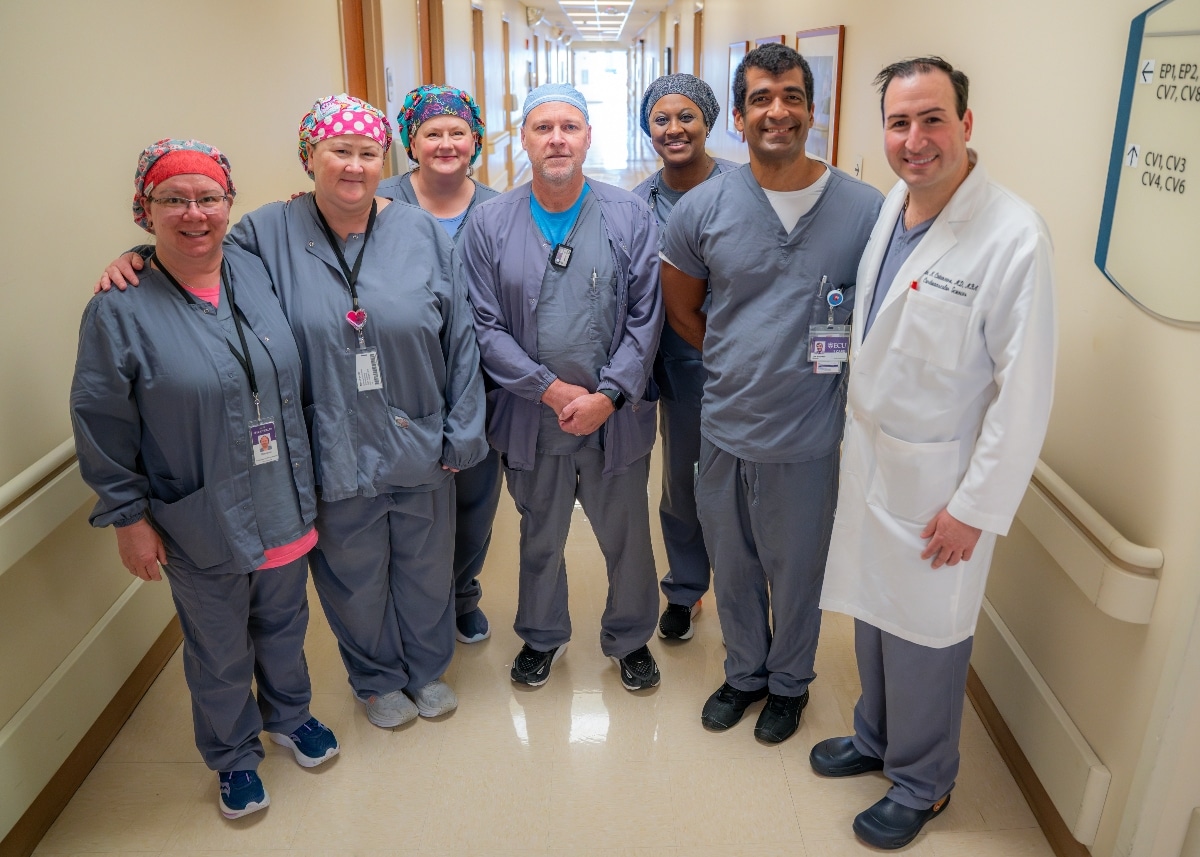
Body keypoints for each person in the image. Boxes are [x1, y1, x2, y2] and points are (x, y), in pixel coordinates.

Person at [97, 95, 488, 731]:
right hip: (328, 439)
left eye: (368, 153)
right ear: (310, 157)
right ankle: (377, 677)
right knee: (353, 576)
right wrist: (136, 258)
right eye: (339, 151)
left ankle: (426, 668)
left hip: (417, 432)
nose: (354, 166)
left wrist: (460, 433)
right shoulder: (265, 232)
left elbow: (461, 336)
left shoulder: (418, 230)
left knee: (424, 566)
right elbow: (198, 255)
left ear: (384, 157)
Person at [812, 57, 1056, 849]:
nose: (914, 140)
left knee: (928, 637)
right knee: (877, 618)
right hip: (878, 455)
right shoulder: (896, 204)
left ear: (967, 125)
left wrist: (975, 507)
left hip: (942, 479)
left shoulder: (1012, 236)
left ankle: (924, 780)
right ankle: (877, 737)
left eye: (932, 119)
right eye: (898, 122)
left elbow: (1025, 393)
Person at [72, 139, 339, 820]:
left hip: (282, 490)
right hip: (200, 510)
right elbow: (102, 419)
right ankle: (233, 756)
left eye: (209, 197)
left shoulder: (253, 268)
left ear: (229, 204)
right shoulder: (119, 308)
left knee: (284, 621)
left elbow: (311, 221)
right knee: (219, 646)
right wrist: (127, 516)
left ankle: (290, 714)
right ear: (146, 209)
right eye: (173, 199)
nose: (195, 214)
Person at [660, 43, 882, 743]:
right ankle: (744, 672)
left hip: (809, 434)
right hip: (726, 425)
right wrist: (742, 359)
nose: (777, 111)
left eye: (790, 96)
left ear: (812, 110)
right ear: (740, 114)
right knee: (733, 565)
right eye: (760, 98)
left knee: (798, 569)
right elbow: (683, 311)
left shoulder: (866, 211)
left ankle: (789, 683)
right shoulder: (702, 209)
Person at [460, 83, 664, 691]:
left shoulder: (629, 214)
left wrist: (607, 396)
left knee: (626, 536)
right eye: (543, 127)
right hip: (532, 415)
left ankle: (631, 639)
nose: (556, 139)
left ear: (587, 137)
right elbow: (484, 324)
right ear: (521, 139)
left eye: (569, 127)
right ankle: (542, 637)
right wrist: (548, 390)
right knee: (540, 535)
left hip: (615, 414)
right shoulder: (490, 222)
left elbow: (646, 319)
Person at [376, 85, 501, 644]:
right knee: (406, 508)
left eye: (457, 132)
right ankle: (405, 609)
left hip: (481, 379)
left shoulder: (499, 208)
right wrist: (143, 256)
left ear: (475, 139)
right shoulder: (376, 200)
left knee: (474, 501)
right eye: (432, 132)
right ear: (411, 142)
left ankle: (461, 595)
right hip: (398, 379)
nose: (446, 143)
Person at [631, 74, 739, 642]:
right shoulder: (637, 205)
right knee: (683, 480)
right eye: (661, 119)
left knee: (749, 483)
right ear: (647, 129)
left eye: (687, 117)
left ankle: (751, 588)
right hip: (678, 364)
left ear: (708, 121)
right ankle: (687, 587)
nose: (674, 129)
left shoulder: (746, 188)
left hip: (747, 363)